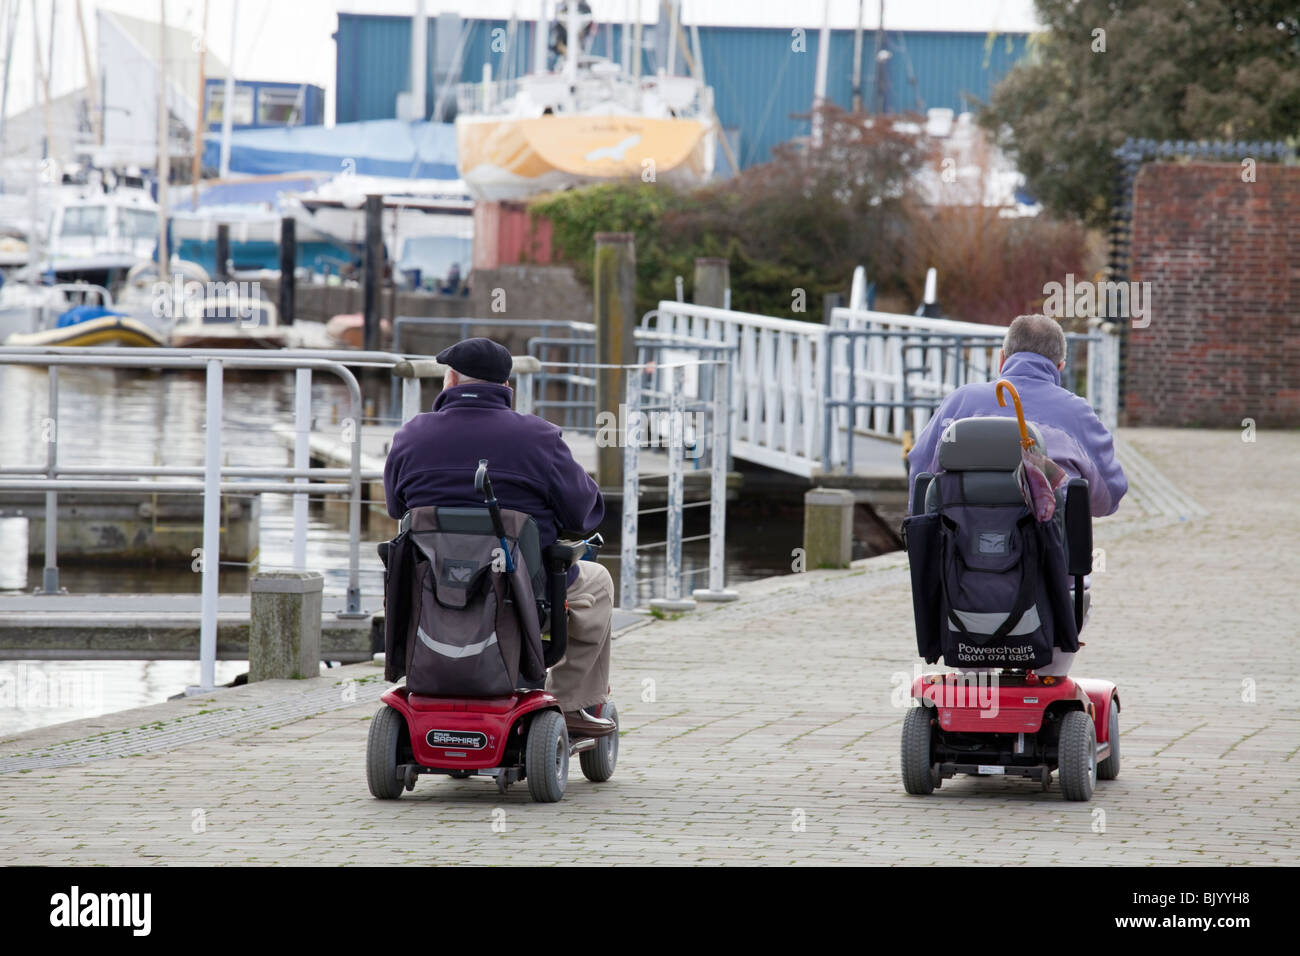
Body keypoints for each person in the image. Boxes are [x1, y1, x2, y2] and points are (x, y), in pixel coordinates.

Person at [383, 337, 615, 738]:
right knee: (599, 583)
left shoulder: (411, 435)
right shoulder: (539, 437)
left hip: (432, 588)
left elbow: (395, 507)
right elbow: (584, 514)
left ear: (450, 380)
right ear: (507, 388)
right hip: (523, 590)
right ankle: (572, 701)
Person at [906, 314, 1128, 676]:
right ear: (1059, 366)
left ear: (1002, 359)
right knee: (1070, 598)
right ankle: (1048, 681)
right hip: (1053, 592)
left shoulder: (960, 404)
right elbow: (1108, 499)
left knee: (972, 665)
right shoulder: (1076, 412)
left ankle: (975, 689)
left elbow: (920, 480)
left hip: (961, 589)